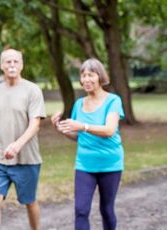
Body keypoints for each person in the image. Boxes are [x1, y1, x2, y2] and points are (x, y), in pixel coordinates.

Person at [51, 58, 124, 230]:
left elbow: (109, 130)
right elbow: (78, 136)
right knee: (81, 210)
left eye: (90, 75)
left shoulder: (113, 100)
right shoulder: (79, 104)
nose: (86, 80)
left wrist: (82, 126)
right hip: (84, 164)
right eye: (83, 76)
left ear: (100, 77)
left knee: (106, 209)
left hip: (110, 164)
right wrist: (60, 129)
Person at [0, 49, 46, 230]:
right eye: (8, 62)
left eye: (15, 62)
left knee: (29, 201)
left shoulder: (32, 90)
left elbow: (35, 124)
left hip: (27, 159)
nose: (12, 65)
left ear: (21, 65)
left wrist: (17, 145)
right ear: (2, 66)